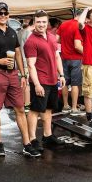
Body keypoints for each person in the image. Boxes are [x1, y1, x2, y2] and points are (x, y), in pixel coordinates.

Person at [0, 2, 39, 157]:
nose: (3, 16)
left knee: (20, 109)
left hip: (12, 74)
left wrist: (23, 74)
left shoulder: (12, 31)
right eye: (0, 13)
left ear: (9, 15)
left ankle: (27, 144)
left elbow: (17, 53)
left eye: (6, 13)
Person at [25, 10, 66, 149]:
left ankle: (47, 136)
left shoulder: (52, 37)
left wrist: (61, 75)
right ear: (34, 22)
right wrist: (36, 84)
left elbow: (57, 56)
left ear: (47, 22)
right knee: (35, 110)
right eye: (38, 22)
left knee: (48, 109)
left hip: (53, 79)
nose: (41, 24)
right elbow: (31, 65)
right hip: (40, 80)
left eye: (44, 22)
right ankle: (32, 139)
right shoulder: (31, 41)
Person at [56, 9, 85, 115]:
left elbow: (57, 39)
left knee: (65, 83)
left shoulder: (64, 24)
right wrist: (89, 52)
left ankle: (65, 106)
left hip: (64, 58)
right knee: (75, 84)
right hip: (76, 59)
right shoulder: (78, 26)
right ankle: (74, 108)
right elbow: (78, 46)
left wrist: (65, 42)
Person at [17, 19, 34, 112]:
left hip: (19, 61)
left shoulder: (19, 32)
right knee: (27, 84)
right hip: (26, 61)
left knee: (22, 83)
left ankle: (22, 103)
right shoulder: (29, 34)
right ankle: (27, 105)